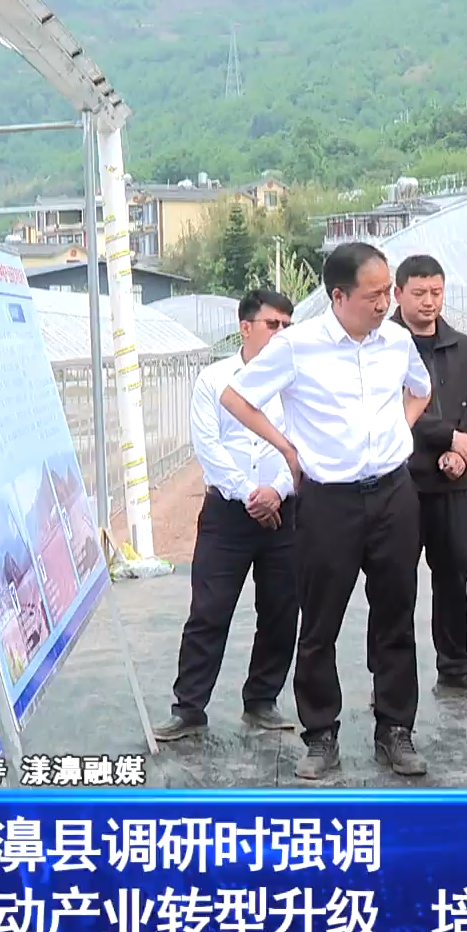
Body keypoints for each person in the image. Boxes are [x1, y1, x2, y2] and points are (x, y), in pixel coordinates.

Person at [223, 242, 435, 780]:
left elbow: (421, 390)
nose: (385, 303)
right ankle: (320, 735)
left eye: (387, 293)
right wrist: (288, 449)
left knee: (396, 616)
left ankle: (396, 729)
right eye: (373, 295)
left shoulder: (397, 340)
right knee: (320, 622)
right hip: (328, 501)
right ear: (338, 296)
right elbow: (237, 397)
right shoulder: (297, 346)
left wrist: (398, 430)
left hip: (393, 495)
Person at [155, 290, 301, 742]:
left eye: (287, 326)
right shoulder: (214, 380)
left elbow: (303, 442)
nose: (281, 333)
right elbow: (208, 446)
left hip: (284, 511)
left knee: (280, 610)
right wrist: (248, 494)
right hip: (227, 513)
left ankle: (262, 699)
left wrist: (277, 492)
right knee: (209, 610)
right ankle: (189, 708)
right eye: (272, 324)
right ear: (245, 327)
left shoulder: (297, 381)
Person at [392, 254, 467, 701]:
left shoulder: (463, 346)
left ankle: (455, 667)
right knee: (396, 583)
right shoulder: (383, 347)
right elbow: (393, 409)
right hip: (402, 482)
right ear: (398, 294)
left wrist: (463, 448)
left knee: (454, 577)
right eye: (419, 293)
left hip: (456, 482)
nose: (429, 302)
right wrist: (447, 438)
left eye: (436, 292)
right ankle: (392, 680)